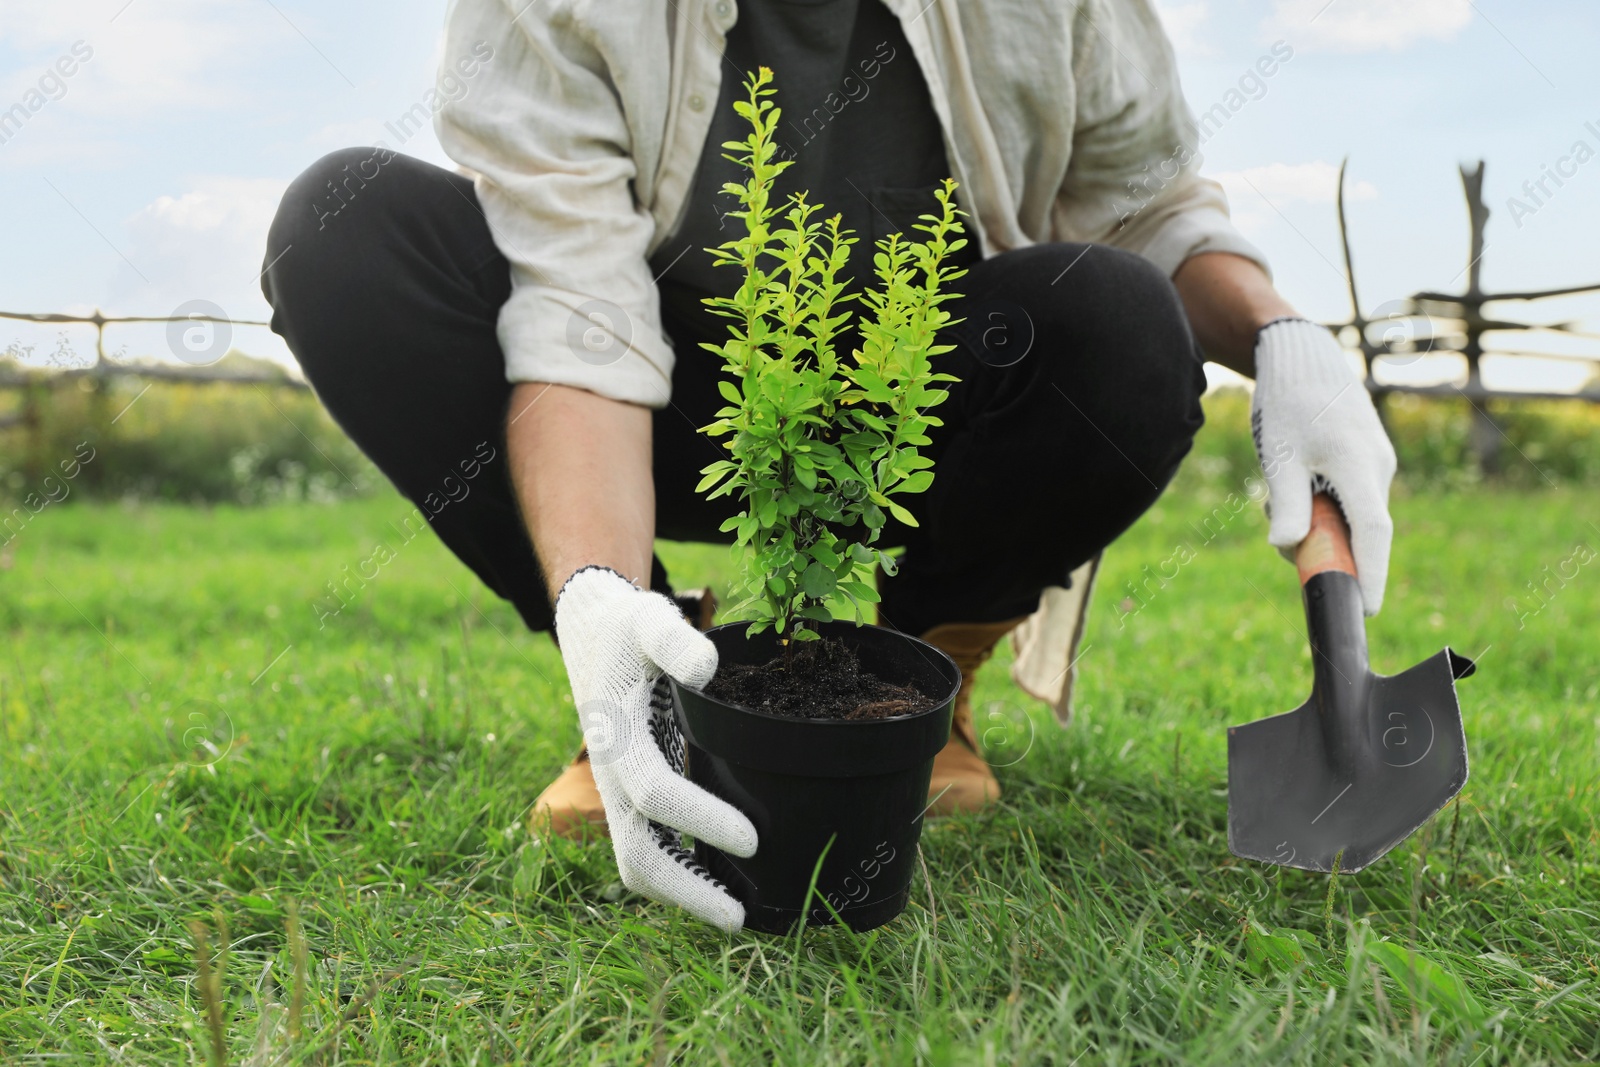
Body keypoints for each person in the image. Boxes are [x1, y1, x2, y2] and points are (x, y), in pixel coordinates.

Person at [261, 0, 1396, 933]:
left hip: (926, 395)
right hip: (678, 392)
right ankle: (650, 674)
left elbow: (1148, 208)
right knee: (340, 229)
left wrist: (1279, 337)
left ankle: (916, 677)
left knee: (1122, 321)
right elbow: (576, 317)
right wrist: (595, 593)